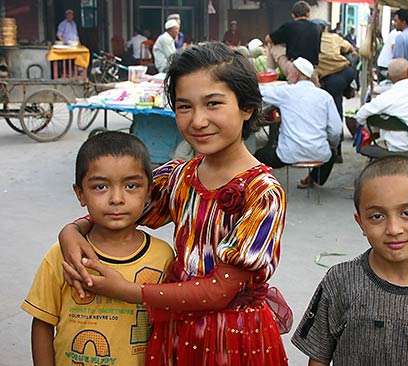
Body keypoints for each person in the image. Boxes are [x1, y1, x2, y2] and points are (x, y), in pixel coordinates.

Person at [59, 42, 290, 366]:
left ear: (247, 107)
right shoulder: (178, 177)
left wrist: (126, 290)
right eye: (184, 106)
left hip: (231, 336)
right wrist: (71, 232)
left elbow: (218, 292)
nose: (197, 120)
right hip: (177, 327)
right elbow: (120, 211)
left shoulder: (262, 193)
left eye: (213, 104)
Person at [292, 156, 408, 366]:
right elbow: (318, 355)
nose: (393, 229)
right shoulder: (339, 281)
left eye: (407, 213)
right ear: (360, 222)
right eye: (377, 216)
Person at [21, 131, 174, 365]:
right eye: (101, 187)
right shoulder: (64, 254)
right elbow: (43, 322)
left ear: (148, 193)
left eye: (131, 185)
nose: (116, 198)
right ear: (80, 193)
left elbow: (168, 327)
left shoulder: (163, 255)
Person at [254, 57, 342, 188]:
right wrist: (333, 144)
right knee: (333, 152)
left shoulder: (285, 92)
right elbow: (336, 130)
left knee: (259, 155)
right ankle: (312, 179)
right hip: (319, 154)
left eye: (289, 73)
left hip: (288, 155)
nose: (288, 77)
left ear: (297, 74)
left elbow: (259, 92)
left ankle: (260, 186)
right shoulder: (325, 97)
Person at [355, 58, 408, 184]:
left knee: (384, 141)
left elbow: (360, 116)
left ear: (389, 76)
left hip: (396, 150)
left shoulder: (386, 97)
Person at [312, 18, 356, 120]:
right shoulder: (334, 37)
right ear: (325, 29)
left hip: (329, 76)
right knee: (336, 102)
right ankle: (349, 87)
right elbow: (349, 48)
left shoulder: (310, 40)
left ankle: (335, 132)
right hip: (345, 71)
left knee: (333, 102)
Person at [265, 1, 322, 77]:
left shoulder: (288, 26)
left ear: (293, 15)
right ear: (308, 14)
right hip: (311, 69)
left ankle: (270, 73)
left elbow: (268, 39)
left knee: (271, 44)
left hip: (293, 68)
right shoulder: (317, 28)